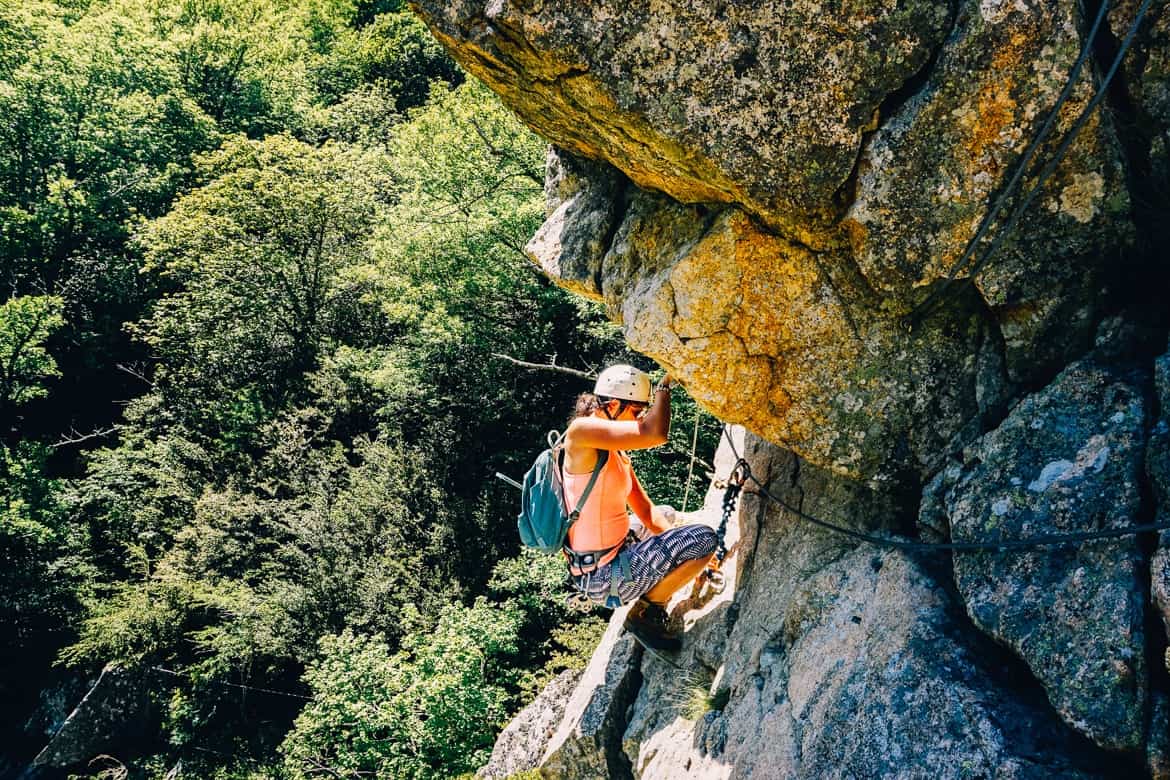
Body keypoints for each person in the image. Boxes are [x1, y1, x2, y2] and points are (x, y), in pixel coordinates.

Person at [561, 364, 718, 651]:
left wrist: (693, 564)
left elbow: (647, 513)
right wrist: (663, 388)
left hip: (611, 556)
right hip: (604, 576)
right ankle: (647, 611)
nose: (640, 418)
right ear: (614, 405)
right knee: (705, 538)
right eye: (636, 411)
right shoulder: (580, 432)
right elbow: (655, 434)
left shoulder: (613, 452)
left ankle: (656, 585)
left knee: (667, 513)